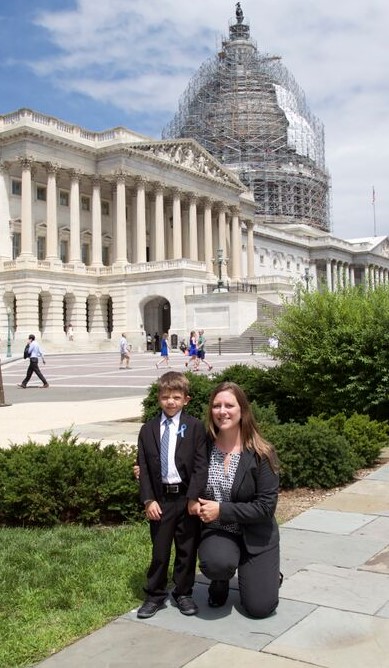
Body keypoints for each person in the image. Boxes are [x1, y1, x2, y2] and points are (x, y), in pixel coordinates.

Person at [197, 381, 280, 618]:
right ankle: (220, 579)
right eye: (216, 405)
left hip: (257, 534)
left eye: (229, 405)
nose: (222, 411)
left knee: (260, 608)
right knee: (217, 563)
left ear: (242, 410)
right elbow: (176, 469)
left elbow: (265, 508)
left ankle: (267, 574)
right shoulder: (202, 447)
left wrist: (221, 510)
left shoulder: (262, 453)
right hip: (219, 532)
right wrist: (144, 468)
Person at [136, 371, 208, 619]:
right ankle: (155, 594)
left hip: (185, 499)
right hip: (161, 500)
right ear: (159, 398)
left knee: (187, 549)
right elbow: (143, 467)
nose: (170, 402)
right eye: (166, 397)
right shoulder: (148, 430)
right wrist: (148, 499)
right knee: (160, 550)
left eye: (176, 397)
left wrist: (193, 497)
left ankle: (183, 592)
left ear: (186, 399)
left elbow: (201, 466)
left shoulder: (196, 427)